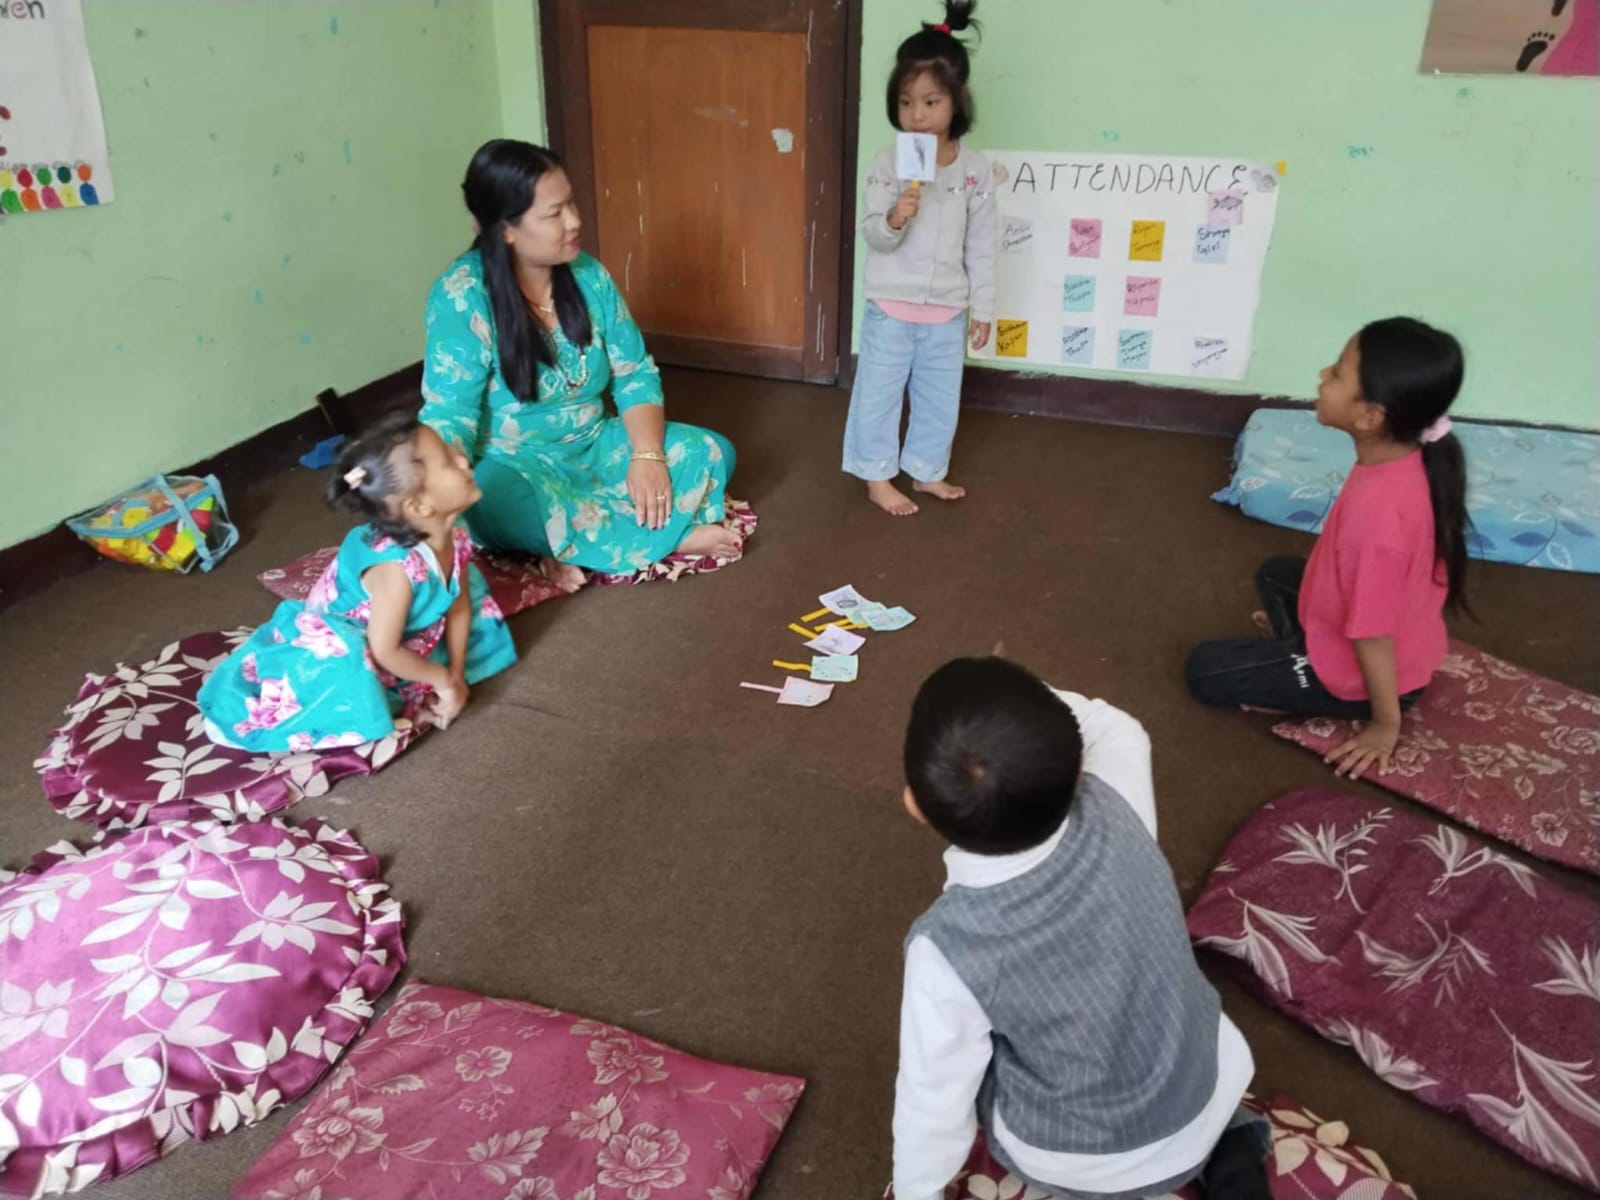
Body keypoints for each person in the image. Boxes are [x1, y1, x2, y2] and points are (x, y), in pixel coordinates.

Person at [892, 654, 1270, 1200]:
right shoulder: (1116, 791)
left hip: (1090, 1162)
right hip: (1211, 1086)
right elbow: (1113, 724)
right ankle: (1233, 1154)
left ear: (915, 806)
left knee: (973, 1074)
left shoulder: (945, 949)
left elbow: (932, 1101)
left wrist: (914, 1193)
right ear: (1073, 764)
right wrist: (1022, 715)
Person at [421, 139, 738, 586]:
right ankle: (671, 536)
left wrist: (647, 456)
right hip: (515, 465)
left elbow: (634, 373)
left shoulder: (590, 275)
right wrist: (438, 487)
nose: (574, 221)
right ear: (505, 228)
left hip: (595, 441)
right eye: (554, 214)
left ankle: (608, 539)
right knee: (492, 502)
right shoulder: (461, 296)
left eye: (571, 203)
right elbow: (449, 413)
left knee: (713, 451)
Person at [1186, 318, 1469, 780]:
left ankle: (1325, 676)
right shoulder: (1405, 459)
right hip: (1376, 628)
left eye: (1337, 374)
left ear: (1370, 416)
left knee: (1205, 671)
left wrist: (1383, 724)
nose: (1322, 375)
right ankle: (1298, 642)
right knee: (1274, 571)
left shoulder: (1379, 524)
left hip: (1369, 673)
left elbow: (1372, 636)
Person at [198, 415, 516, 752]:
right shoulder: (396, 571)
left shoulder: (454, 534)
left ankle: (413, 680)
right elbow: (385, 650)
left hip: (391, 633)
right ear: (420, 506)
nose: (464, 459)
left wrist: (454, 674)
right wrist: (443, 681)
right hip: (339, 643)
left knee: (473, 621)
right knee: (344, 677)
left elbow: (459, 604)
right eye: (449, 462)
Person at [844, 0, 998, 517]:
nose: (918, 115)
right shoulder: (889, 162)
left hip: (947, 311)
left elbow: (981, 245)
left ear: (958, 101)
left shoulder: (974, 171)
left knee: (939, 399)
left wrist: (985, 308)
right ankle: (877, 475)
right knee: (879, 396)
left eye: (931, 102)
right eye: (907, 102)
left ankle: (928, 471)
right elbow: (873, 234)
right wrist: (894, 216)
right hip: (891, 304)